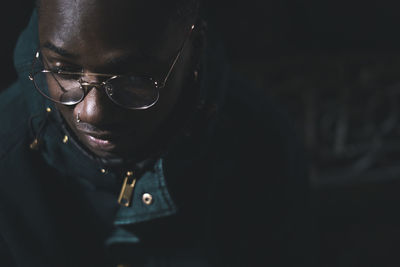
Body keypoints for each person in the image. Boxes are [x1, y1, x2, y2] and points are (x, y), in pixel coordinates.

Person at [0, 0, 312, 266]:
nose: (91, 112)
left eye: (132, 78)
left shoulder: (261, 146)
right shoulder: (8, 155)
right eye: (64, 71)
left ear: (195, 46)